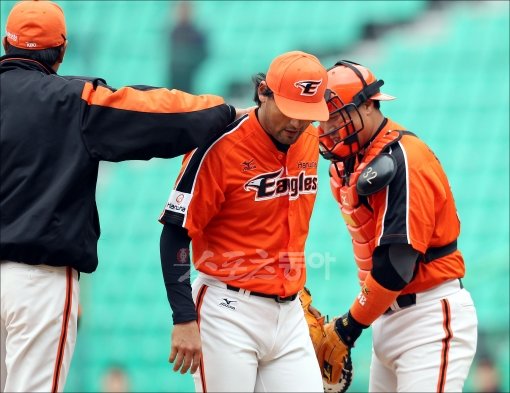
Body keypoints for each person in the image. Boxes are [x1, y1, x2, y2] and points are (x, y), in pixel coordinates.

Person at [0, 1, 248, 392]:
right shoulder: (74, 100)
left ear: (5, 44)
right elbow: (155, 112)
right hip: (38, 281)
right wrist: (223, 111)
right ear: (62, 50)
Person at [158, 51, 329, 392]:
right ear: (265, 92)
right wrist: (184, 316)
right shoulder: (220, 145)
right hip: (227, 312)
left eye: (307, 114)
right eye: (291, 110)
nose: (297, 123)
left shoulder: (309, 140)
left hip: (290, 311)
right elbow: (175, 234)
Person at [314, 60, 478, 391]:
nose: (327, 126)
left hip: (429, 318)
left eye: (337, 114)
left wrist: (346, 327)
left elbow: (396, 266)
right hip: (384, 320)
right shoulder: (348, 162)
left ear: (368, 105)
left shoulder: (404, 157)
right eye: (323, 117)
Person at [168, 1, 207, 93]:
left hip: (190, 76)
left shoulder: (196, 33)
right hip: (175, 76)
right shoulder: (174, 32)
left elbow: (203, 53)